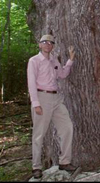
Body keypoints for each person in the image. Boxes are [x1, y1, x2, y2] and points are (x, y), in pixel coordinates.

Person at [27, 34, 76, 179]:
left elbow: (62, 75)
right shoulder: (34, 61)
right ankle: (36, 167)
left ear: (53, 46)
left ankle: (65, 162)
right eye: (45, 42)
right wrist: (35, 103)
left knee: (67, 127)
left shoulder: (54, 60)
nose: (48, 44)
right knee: (39, 134)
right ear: (40, 44)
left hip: (56, 99)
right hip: (42, 98)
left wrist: (70, 61)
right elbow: (31, 83)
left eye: (51, 42)